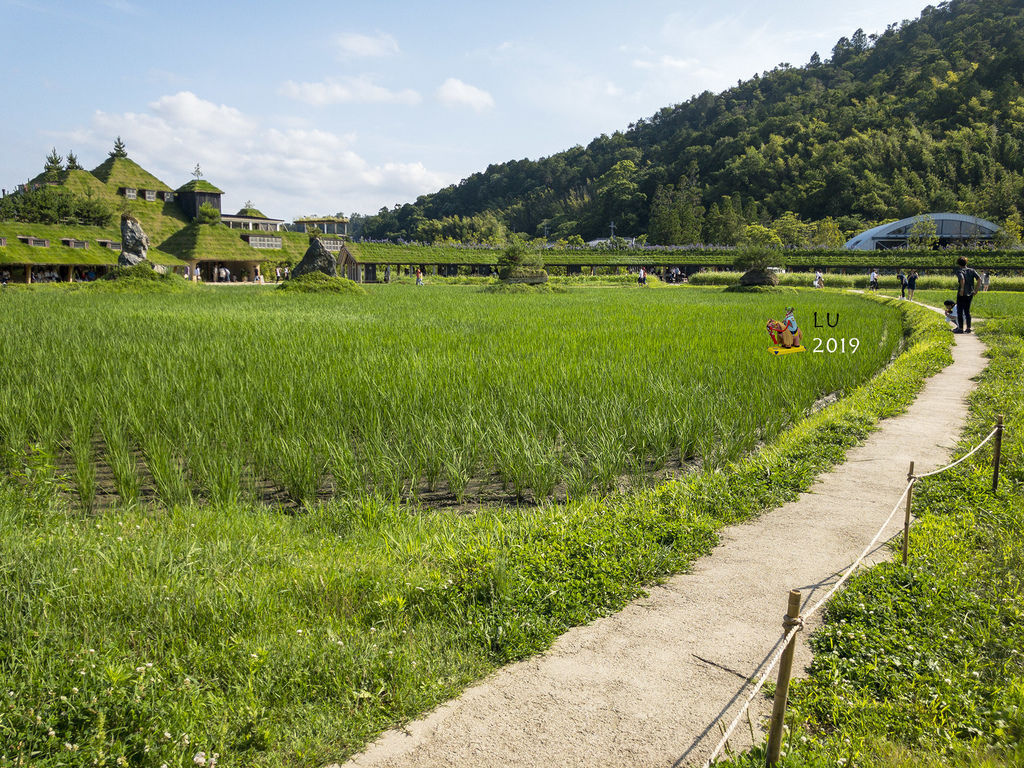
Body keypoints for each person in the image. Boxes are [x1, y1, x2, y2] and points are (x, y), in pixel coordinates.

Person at [954, 255, 980, 334]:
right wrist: (976, 290)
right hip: (970, 293)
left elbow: (962, 279)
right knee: (967, 311)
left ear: (959, 264)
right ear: (966, 262)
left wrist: (962, 289)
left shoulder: (959, 271)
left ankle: (960, 328)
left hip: (962, 294)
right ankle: (968, 328)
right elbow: (979, 279)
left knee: (959, 311)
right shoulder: (972, 270)